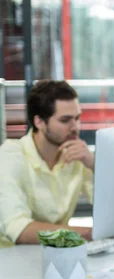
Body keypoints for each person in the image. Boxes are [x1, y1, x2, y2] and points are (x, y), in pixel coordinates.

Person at [0, 80, 94, 247]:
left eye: (77, 118)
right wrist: (87, 233)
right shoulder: (10, 156)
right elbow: (19, 229)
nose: (75, 127)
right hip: (11, 260)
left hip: (57, 255)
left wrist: (94, 165)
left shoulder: (77, 155)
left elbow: (110, 209)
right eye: (65, 120)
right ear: (39, 122)